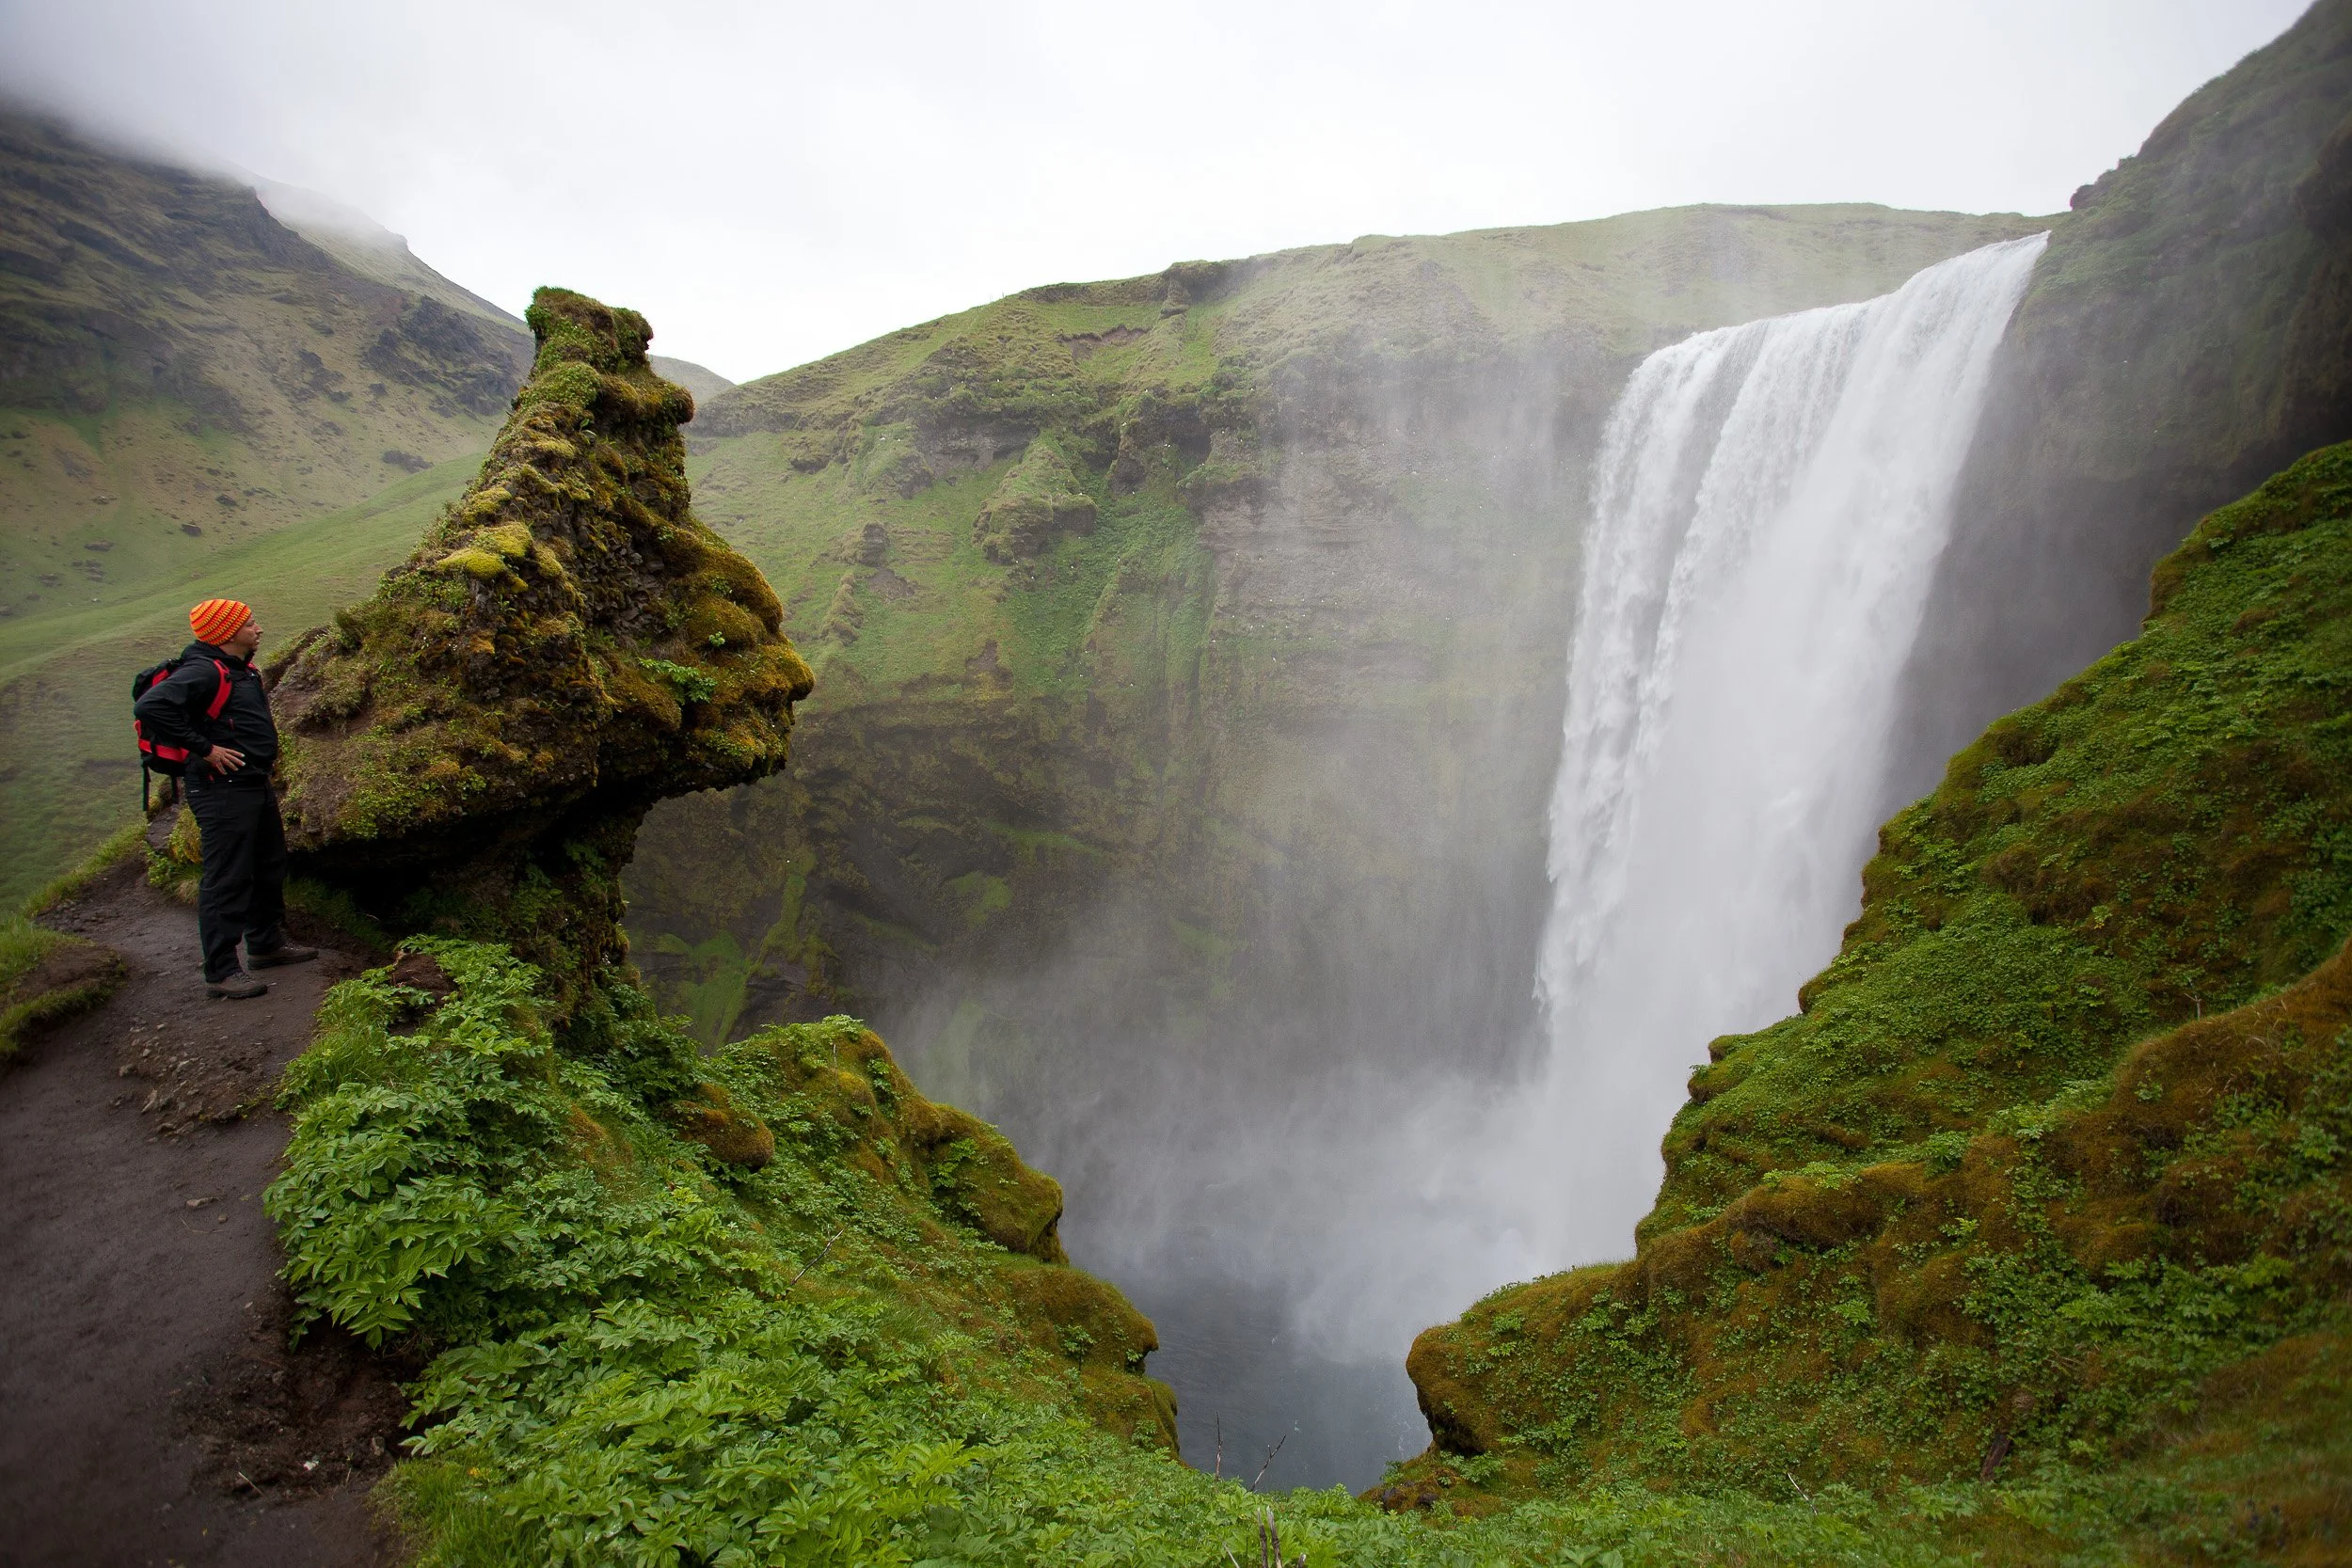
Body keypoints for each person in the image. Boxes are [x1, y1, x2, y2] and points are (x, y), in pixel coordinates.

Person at [133, 598, 317, 1000]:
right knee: (227, 876)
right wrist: (205, 749)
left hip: (253, 781)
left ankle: (266, 945)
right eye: (250, 624)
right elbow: (150, 706)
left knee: (268, 864)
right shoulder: (203, 670)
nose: (259, 629)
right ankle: (221, 969)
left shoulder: (241, 669)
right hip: (221, 788)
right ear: (227, 632)